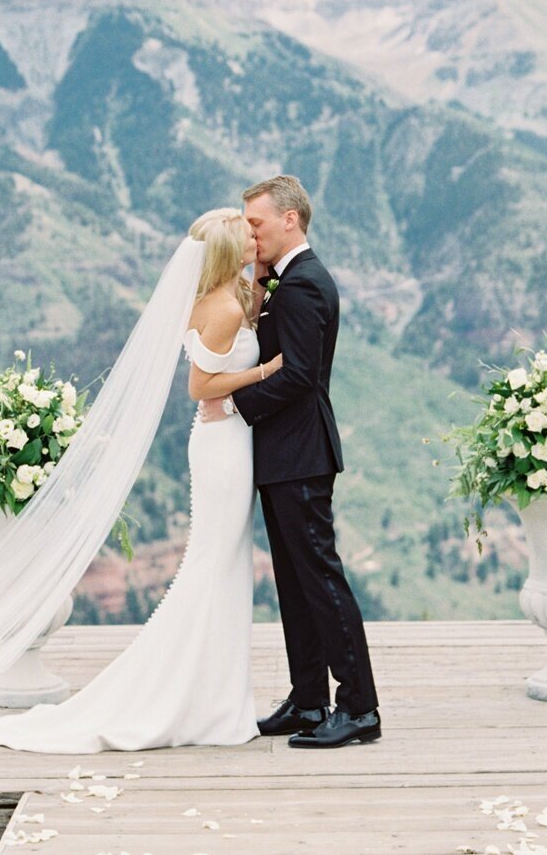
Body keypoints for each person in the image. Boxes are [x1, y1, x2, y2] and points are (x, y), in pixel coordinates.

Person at [0, 208, 282, 752]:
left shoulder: (220, 297)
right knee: (216, 563)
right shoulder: (222, 309)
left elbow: (240, 310)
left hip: (227, 441)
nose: (253, 239)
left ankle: (215, 698)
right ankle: (204, 702)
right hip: (224, 445)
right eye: (245, 235)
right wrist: (267, 370)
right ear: (225, 252)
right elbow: (201, 385)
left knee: (223, 563)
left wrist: (258, 280)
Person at [199, 176, 380, 748]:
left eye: (255, 223)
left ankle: (359, 707)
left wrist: (231, 401)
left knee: (321, 580)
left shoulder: (302, 286)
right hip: (283, 453)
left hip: (301, 454)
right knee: (295, 583)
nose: (249, 234)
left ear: (290, 220)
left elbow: (299, 375)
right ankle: (308, 701)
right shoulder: (284, 281)